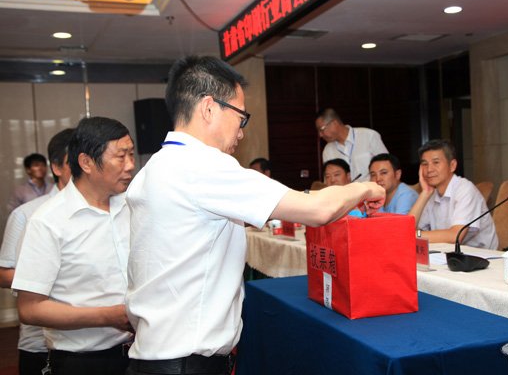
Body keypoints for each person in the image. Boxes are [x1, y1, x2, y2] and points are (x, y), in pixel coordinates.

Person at [125, 55, 384, 375]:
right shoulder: (204, 166)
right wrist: (365, 188)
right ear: (209, 108)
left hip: (155, 356)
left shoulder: (154, 169)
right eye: (240, 117)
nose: (241, 132)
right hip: (186, 363)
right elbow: (318, 210)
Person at [11, 117, 136, 375]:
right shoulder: (48, 221)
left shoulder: (130, 207)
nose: (130, 165)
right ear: (86, 162)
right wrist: (108, 316)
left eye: (131, 155)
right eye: (120, 156)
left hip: (137, 355)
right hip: (81, 362)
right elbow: (30, 308)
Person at [0, 128, 73, 375]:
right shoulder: (27, 214)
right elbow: (3, 274)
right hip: (41, 345)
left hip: (98, 344)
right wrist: (59, 275)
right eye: (74, 162)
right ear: (57, 167)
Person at [409, 139, 498, 249]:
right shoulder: (431, 193)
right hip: (446, 253)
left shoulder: (465, 189)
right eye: (424, 164)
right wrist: (425, 194)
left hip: (480, 255)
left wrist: (415, 235)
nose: (429, 169)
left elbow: (455, 236)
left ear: (452, 165)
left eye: (436, 162)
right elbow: (407, 229)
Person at [316, 108, 388, 182]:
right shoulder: (328, 151)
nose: (320, 135)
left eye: (321, 129)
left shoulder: (369, 136)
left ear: (334, 123)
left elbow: (387, 166)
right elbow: (328, 181)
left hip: (372, 188)